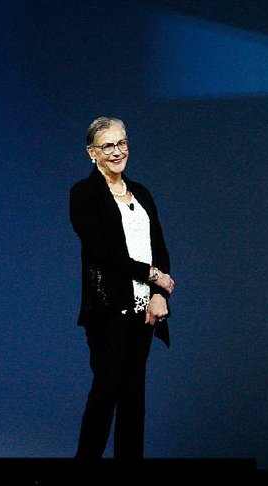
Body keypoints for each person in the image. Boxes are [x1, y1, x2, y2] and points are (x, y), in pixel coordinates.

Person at [70, 117, 175, 459]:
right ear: (92, 153)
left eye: (122, 144)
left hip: (143, 311)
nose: (117, 152)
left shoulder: (141, 192)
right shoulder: (84, 194)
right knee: (106, 391)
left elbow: (159, 245)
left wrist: (160, 294)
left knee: (134, 399)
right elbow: (101, 252)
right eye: (108, 146)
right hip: (107, 309)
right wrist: (152, 275)